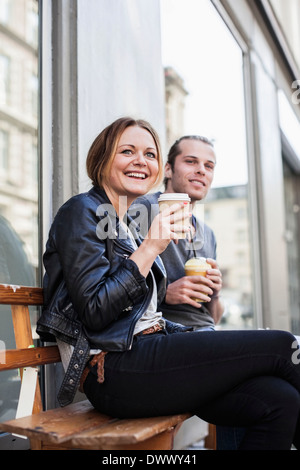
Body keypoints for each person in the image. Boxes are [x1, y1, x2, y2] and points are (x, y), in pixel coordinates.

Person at [37, 117, 300, 450]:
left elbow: (149, 319)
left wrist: (196, 334)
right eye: (127, 151)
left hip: (146, 358)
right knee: (283, 346)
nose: (140, 161)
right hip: (114, 370)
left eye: (149, 154)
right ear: (102, 158)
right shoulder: (82, 211)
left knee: (279, 399)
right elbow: (94, 312)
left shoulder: (124, 225)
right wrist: (151, 247)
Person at [133, 135, 223, 331]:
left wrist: (214, 294)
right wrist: (165, 294)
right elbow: (114, 293)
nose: (201, 170)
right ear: (168, 169)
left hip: (205, 335)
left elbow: (212, 319)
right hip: (164, 333)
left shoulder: (208, 233)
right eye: (191, 161)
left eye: (209, 166)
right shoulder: (139, 210)